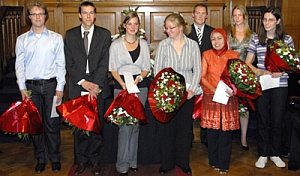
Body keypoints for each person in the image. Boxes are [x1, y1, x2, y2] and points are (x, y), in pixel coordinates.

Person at [15, 0, 66, 173]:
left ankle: (55, 158)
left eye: (40, 13)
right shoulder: (21, 40)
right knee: (35, 125)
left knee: (52, 124)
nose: (37, 17)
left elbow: (61, 64)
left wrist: (60, 87)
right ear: (29, 17)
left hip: (52, 87)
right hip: (31, 88)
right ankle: (40, 159)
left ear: (46, 16)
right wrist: (22, 88)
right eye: (34, 14)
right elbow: (19, 65)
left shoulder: (56, 38)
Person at [64, 1, 111, 175]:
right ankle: (82, 160)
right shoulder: (70, 35)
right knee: (80, 127)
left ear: (95, 15)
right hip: (79, 86)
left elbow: (105, 61)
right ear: (79, 15)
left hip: (97, 86)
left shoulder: (104, 35)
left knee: (96, 126)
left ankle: (96, 160)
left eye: (91, 13)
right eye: (85, 13)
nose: (88, 16)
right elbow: (69, 63)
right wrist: (83, 82)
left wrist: (95, 85)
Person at [245, 7, 294, 169]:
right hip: (263, 84)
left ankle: (275, 153)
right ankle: (263, 154)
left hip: (280, 85)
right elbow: (248, 63)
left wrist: (282, 71)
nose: (267, 23)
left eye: (271, 20)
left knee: (277, 119)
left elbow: (292, 64)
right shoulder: (256, 39)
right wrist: (259, 71)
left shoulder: (287, 39)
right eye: (265, 20)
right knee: (263, 120)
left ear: (278, 21)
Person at [154, 13, 202, 175]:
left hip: (187, 94)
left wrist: (192, 90)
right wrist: (165, 91)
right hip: (168, 94)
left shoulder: (193, 45)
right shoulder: (163, 45)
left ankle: (184, 162)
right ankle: (166, 163)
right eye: (166, 28)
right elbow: (157, 71)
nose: (168, 31)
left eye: (171, 28)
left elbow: (197, 70)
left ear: (181, 27)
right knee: (167, 129)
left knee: (185, 130)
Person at [108, 11, 150, 176]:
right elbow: (112, 69)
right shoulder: (116, 45)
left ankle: (133, 161)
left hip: (140, 87)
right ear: (124, 26)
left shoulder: (144, 44)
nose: (132, 27)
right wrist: (123, 84)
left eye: (135, 24)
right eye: (129, 24)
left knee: (135, 127)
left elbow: (146, 67)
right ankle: (122, 164)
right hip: (122, 87)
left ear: (138, 26)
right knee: (124, 127)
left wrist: (139, 78)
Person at [200, 28, 240, 175]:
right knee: (212, 132)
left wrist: (233, 89)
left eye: (219, 38)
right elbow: (202, 77)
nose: (216, 42)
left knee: (225, 132)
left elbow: (238, 77)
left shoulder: (234, 55)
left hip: (229, 98)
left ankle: (224, 163)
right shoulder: (206, 55)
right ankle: (213, 160)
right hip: (211, 97)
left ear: (225, 39)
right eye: (213, 39)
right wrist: (214, 89)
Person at [227, 4, 256, 151]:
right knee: (230, 106)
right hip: (229, 74)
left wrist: (243, 73)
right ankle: (229, 136)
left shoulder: (253, 35)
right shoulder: (228, 34)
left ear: (245, 17)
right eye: (235, 15)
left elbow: (252, 57)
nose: (237, 18)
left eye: (239, 15)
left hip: (245, 74)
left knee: (244, 107)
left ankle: (243, 137)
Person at [187, 3, 214, 147]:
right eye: (198, 13)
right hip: (190, 75)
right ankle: (188, 138)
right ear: (193, 14)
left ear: (207, 16)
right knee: (189, 107)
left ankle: (206, 138)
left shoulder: (213, 32)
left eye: (203, 13)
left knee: (206, 107)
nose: (201, 16)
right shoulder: (185, 31)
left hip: (207, 75)